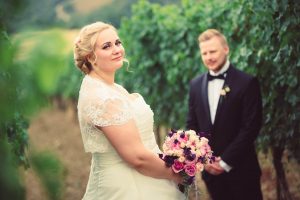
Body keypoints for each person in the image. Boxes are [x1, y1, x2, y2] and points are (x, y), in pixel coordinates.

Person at [74, 21, 184, 200]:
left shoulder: (111, 88)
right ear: (89, 56)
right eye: (106, 46)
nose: (117, 49)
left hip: (145, 176)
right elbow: (137, 158)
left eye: (117, 43)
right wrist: (178, 173)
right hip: (130, 186)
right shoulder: (103, 98)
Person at [186, 29, 263, 200]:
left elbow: (251, 127)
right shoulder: (195, 85)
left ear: (226, 49)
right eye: (204, 53)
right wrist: (204, 159)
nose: (208, 57)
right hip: (211, 174)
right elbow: (191, 125)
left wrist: (225, 161)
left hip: (242, 170)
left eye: (212, 51)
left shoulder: (247, 82)